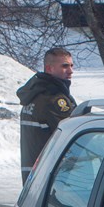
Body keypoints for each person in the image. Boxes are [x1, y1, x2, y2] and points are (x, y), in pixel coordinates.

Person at [16, 47, 77, 182]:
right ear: (49, 69)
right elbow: (73, 137)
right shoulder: (53, 100)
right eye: (64, 66)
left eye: (71, 65)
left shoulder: (33, 95)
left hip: (35, 175)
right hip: (52, 176)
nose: (70, 71)